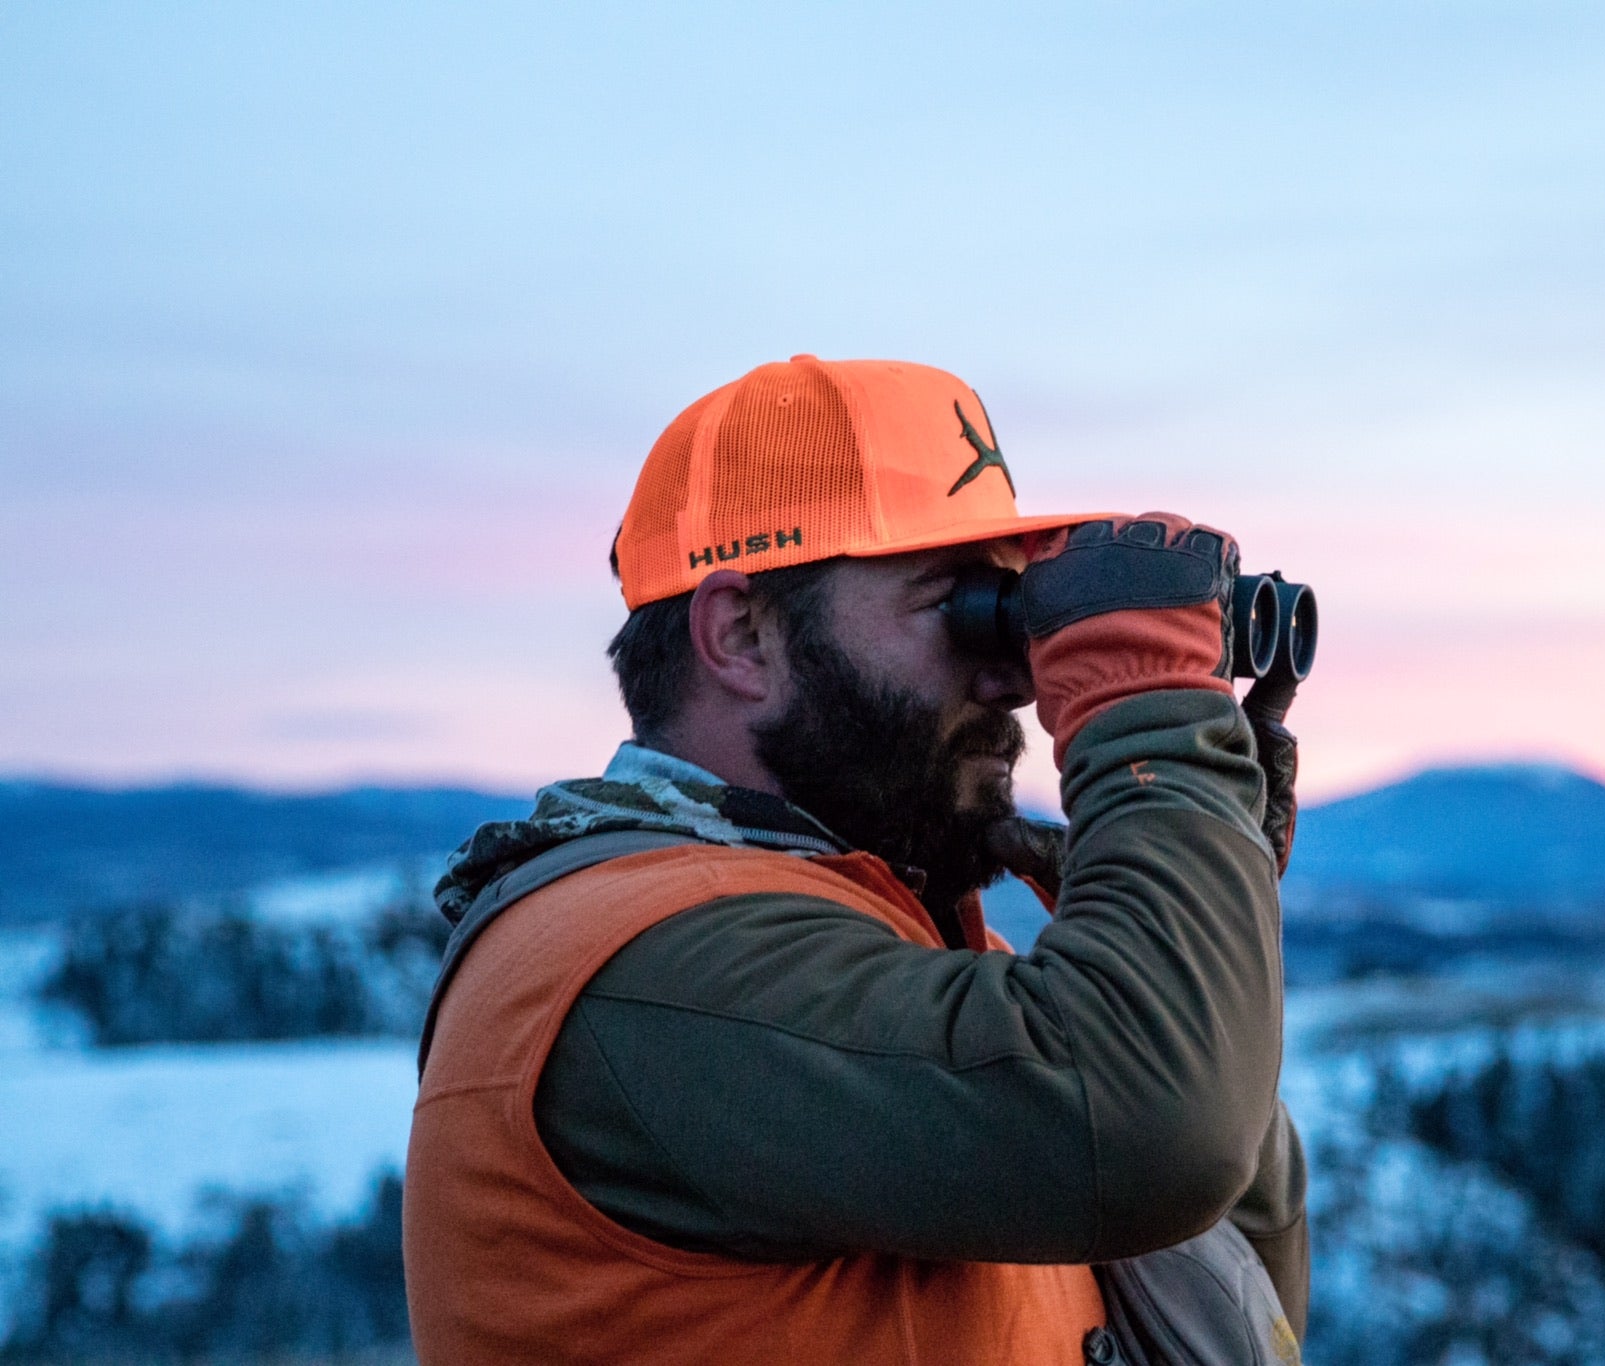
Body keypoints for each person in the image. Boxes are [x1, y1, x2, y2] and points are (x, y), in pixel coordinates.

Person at [402, 355, 1308, 1364]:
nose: (1011, 672)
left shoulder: (881, 938)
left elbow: (1229, 1285)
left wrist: (1198, 903)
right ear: (740, 634)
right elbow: (1156, 1134)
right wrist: (1152, 734)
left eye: (1014, 606)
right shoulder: (639, 966)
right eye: (956, 607)